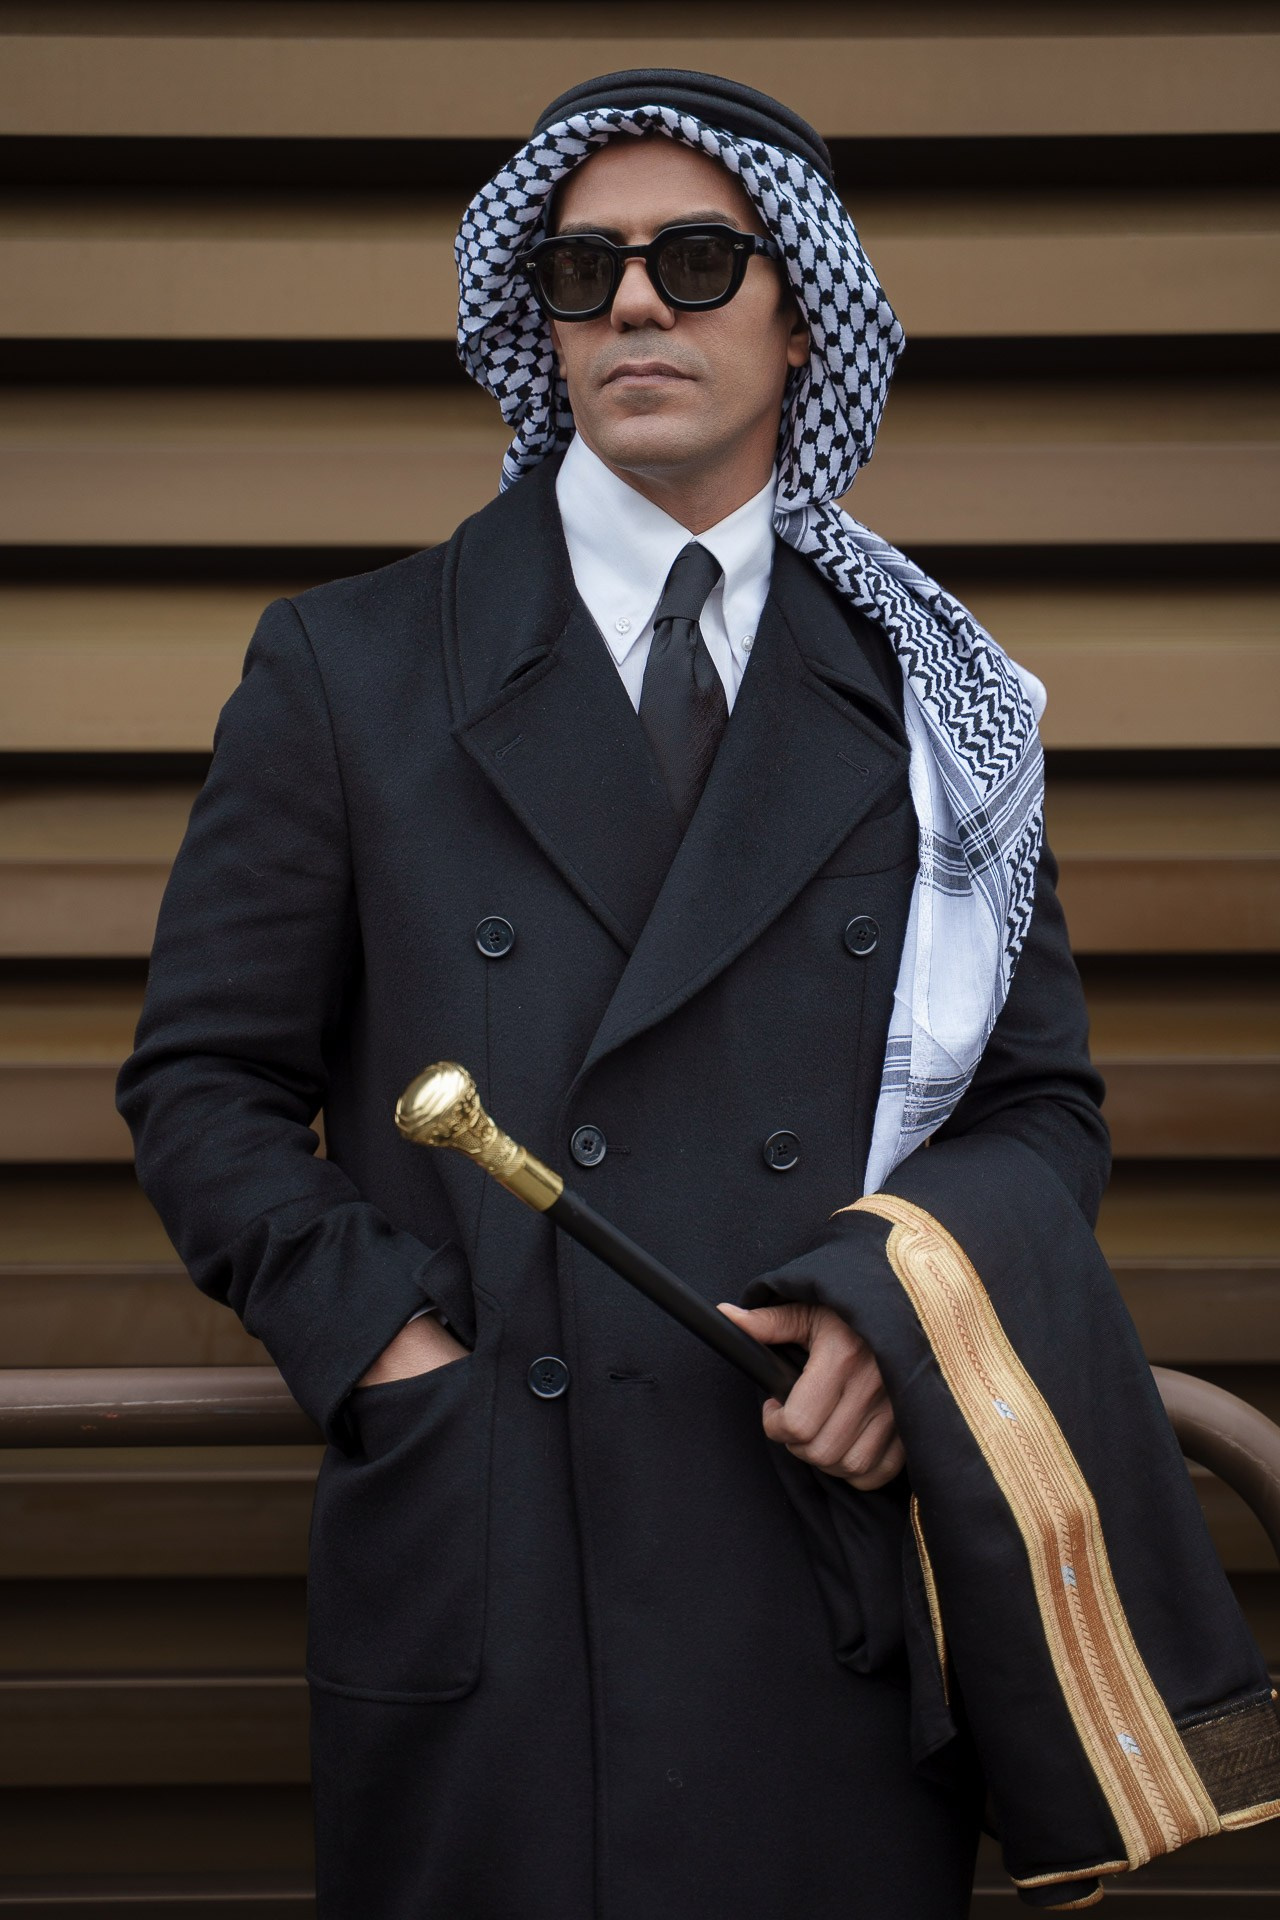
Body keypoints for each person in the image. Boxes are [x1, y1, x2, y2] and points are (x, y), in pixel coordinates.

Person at [116, 70, 1276, 1919]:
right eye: (584, 272)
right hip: (495, 1547)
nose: (637, 303)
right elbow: (203, 1085)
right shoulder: (350, 662)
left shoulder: (933, 695)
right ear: (543, 323)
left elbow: (1039, 1108)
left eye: (699, 261)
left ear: (805, 314)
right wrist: (400, 1358)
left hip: (813, 1546)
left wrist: (898, 1325)